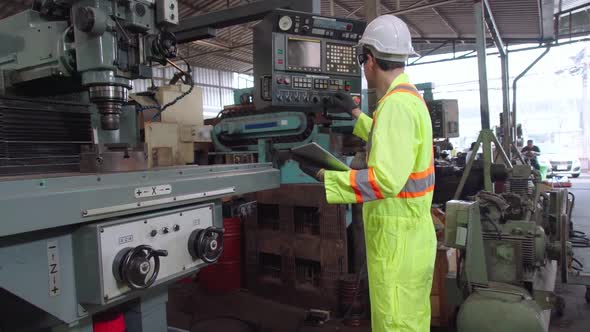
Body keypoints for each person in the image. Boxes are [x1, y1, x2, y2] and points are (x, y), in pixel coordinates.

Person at [297, 15, 436, 332]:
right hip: (409, 236)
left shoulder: (396, 106)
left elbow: (384, 180)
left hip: (396, 240)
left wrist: (326, 176)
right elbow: (393, 145)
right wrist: (356, 113)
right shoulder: (408, 100)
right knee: (410, 320)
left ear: (369, 59)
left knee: (395, 323)